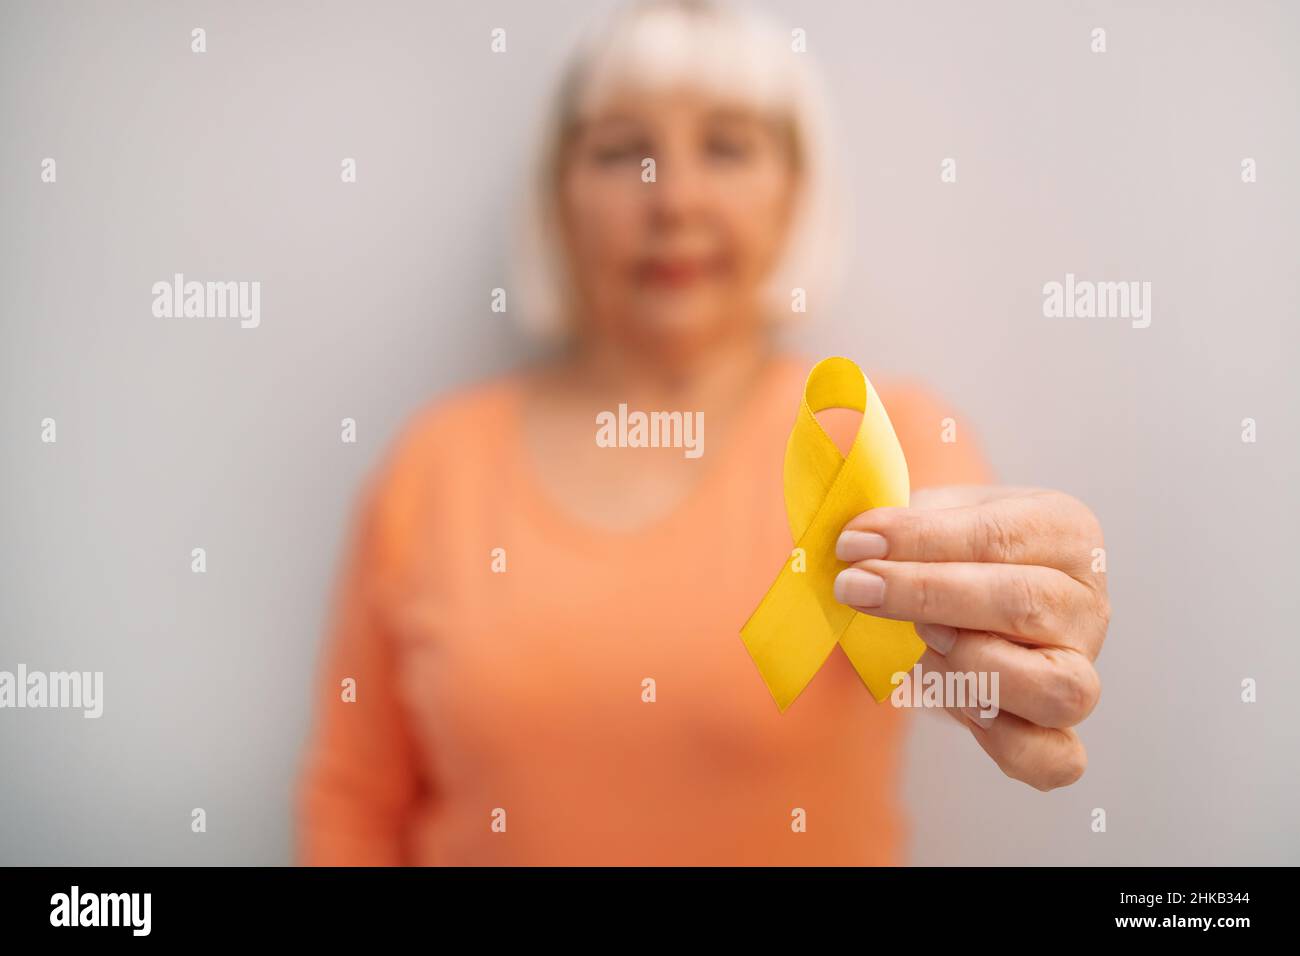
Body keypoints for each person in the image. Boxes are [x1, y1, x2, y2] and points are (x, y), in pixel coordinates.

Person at [296, 0, 1110, 866]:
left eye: (727, 147)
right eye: (621, 152)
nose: (674, 199)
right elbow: (352, 802)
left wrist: (1024, 614)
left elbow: (961, 582)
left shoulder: (877, 440)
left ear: (795, 188)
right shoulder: (433, 464)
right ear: (557, 192)